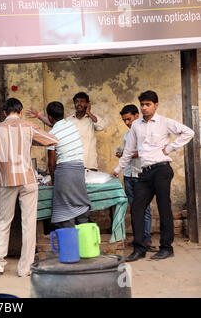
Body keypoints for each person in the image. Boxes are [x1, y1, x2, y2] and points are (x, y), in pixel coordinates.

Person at [112, 90, 194, 262]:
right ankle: (139, 248)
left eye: (148, 104)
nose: (144, 108)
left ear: (156, 105)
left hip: (162, 170)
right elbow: (128, 151)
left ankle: (166, 247)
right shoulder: (136, 125)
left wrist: (171, 148)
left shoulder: (164, 122)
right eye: (142, 104)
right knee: (136, 208)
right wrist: (118, 169)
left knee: (164, 208)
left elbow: (188, 132)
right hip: (145, 172)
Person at [0, 98, 58, 277]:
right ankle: (24, 268)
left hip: (7, 180)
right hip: (27, 179)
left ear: (4, 113)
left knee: (4, 221)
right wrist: (30, 142)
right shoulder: (28, 126)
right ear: (20, 111)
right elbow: (52, 140)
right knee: (28, 224)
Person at [26, 92, 105, 170]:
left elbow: (101, 126)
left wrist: (88, 112)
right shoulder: (69, 120)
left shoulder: (92, 119)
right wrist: (38, 115)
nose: (79, 104)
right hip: (73, 164)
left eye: (82, 101)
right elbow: (53, 123)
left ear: (87, 104)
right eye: (76, 102)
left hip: (89, 163)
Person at [116, 104, 157, 252]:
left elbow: (145, 151)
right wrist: (123, 155)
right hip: (128, 175)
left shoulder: (146, 132)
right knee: (134, 210)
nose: (127, 123)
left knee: (144, 209)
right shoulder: (126, 136)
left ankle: (146, 240)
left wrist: (127, 155)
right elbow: (129, 153)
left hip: (142, 175)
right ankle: (138, 240)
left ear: (136, 116)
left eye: (129, 119)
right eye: (124, 120)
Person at [46, 101, 91, 228]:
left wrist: (54, 180)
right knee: (81, 206)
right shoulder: (71, 125)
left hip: (65, 172)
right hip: (79, 170)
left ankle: (71, 244)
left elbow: (51, 163)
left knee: (65, 212)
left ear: (50, 117)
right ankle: (85, 243)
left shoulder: (52, 134)